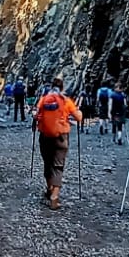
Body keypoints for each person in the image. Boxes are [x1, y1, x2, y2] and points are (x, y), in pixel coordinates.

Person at [32, 75, 83, 210]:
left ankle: (49, 188)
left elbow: (36, 115)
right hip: (61, 136)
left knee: (47, 163)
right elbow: (78, 117)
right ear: (62, 88)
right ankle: (54, 196)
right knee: (58, 166)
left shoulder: (43, 99)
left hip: (44, 136)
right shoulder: (65, 100)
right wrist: (78, 112)